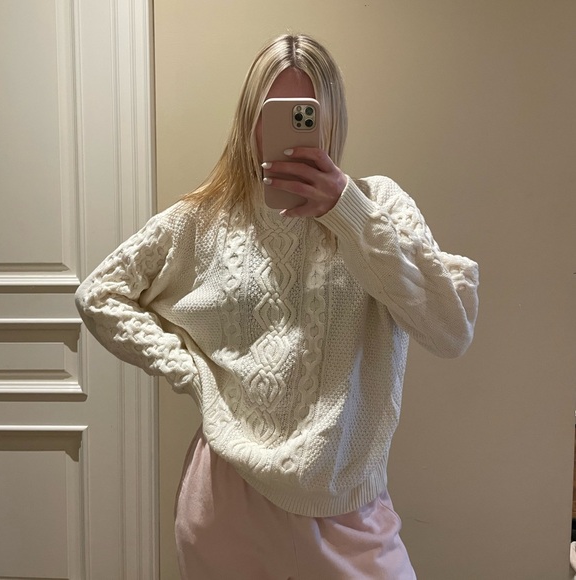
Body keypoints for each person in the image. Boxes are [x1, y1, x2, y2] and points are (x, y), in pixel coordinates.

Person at [75, 33, 479, 580]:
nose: (288, 131)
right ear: (250, 120)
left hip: (346, 510)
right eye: (274, 113)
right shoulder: (204, 219)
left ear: (330, 118)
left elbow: (451, 329)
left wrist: (346, 212)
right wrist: (190, 371)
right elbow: (100, 292)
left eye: (305, 114)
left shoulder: (378, 204)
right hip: (226, 500)